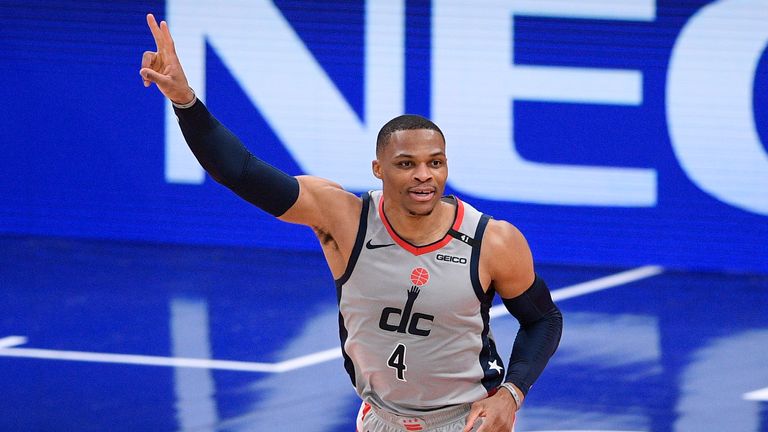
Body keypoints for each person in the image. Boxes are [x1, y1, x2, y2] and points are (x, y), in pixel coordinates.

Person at [140, 13, 562, 432]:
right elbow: (241, 172)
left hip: (466, 420)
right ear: (378, 169)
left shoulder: (492, 240)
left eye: (435, 163)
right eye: (406, 164)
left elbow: (543, 320)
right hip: (379, 419)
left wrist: (512, 393)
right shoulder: (344, 219)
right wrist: (185, 101)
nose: (423, 175)